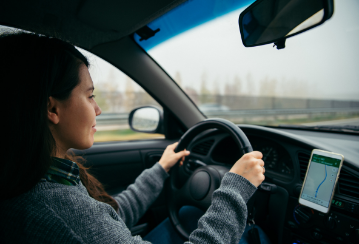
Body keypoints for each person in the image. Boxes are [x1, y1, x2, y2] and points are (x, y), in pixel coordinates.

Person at [0, 32, 270, 244]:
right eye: (90, 95)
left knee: (189, 215)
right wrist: (235, 188)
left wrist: (161, 168)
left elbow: (111, 218)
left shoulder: (39, 181)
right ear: (52, 109)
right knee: (253, 235)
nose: (98, 109)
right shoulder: (59, 208)